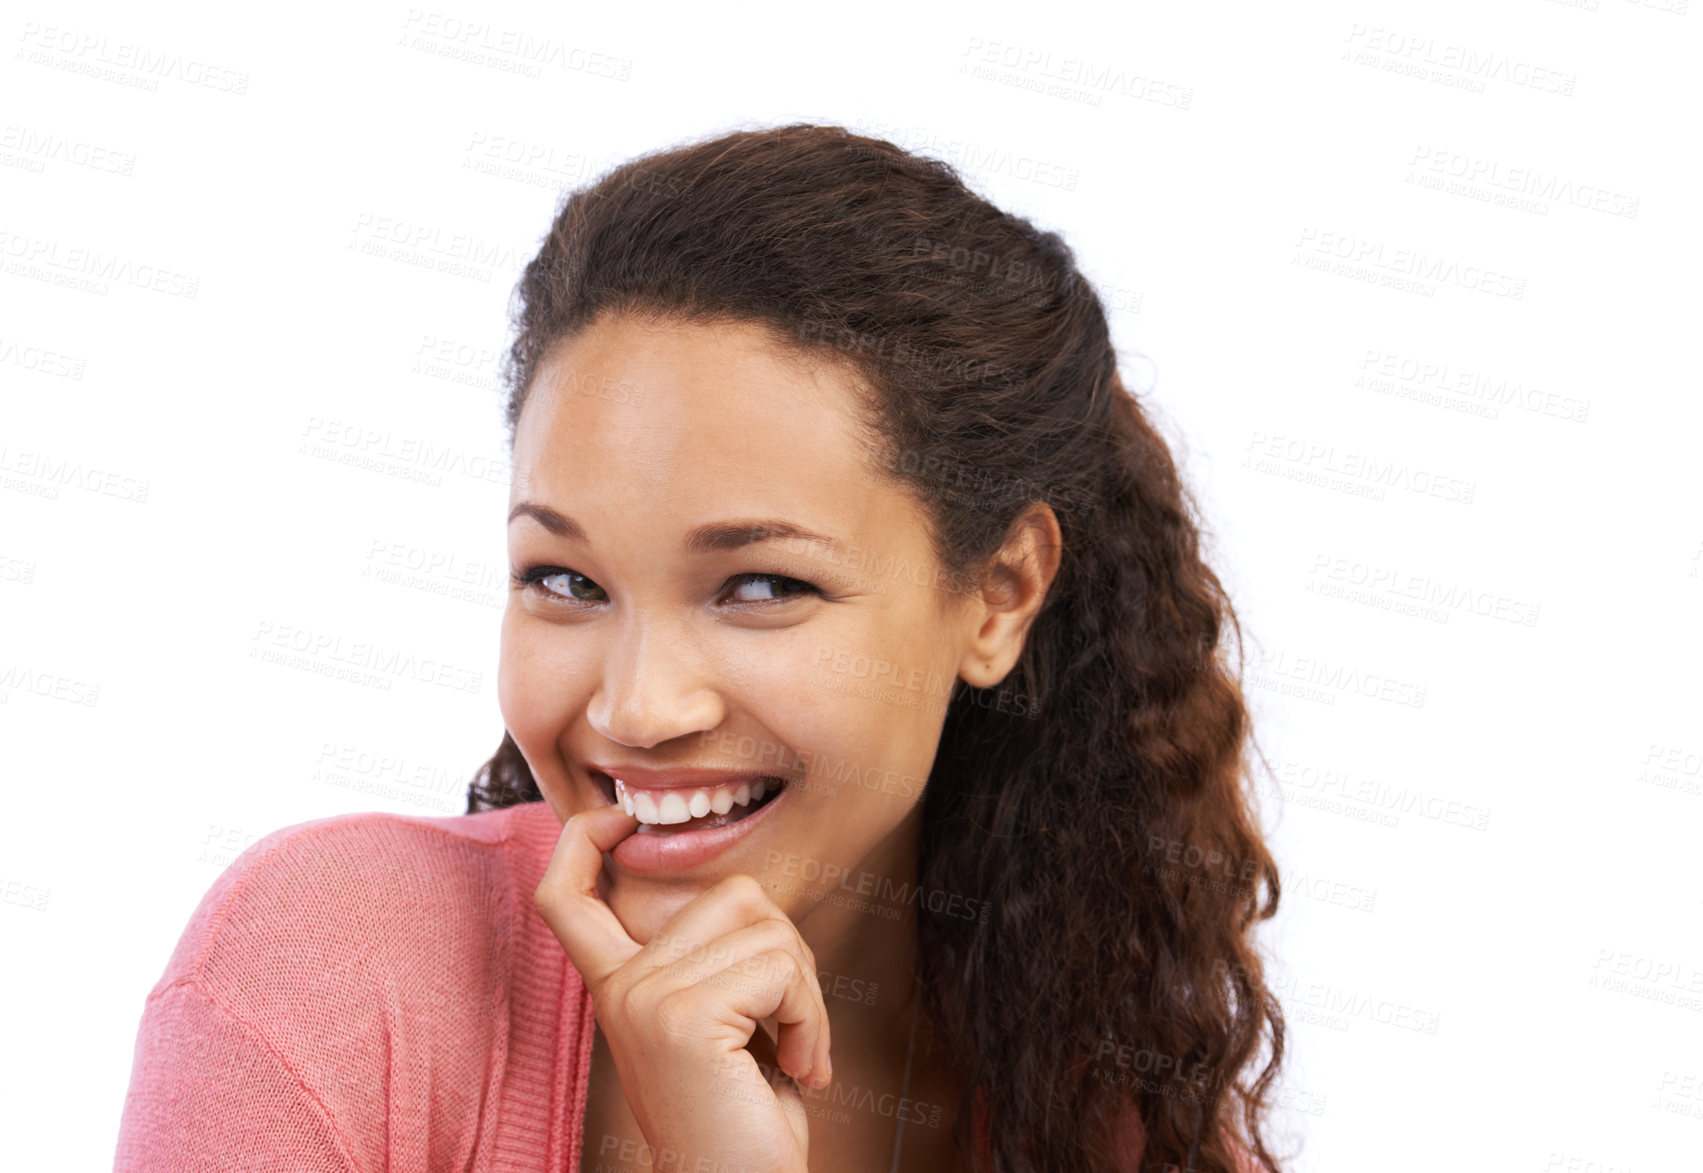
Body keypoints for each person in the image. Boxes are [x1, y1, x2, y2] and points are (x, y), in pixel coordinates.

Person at [114, 123, 1284, 1173]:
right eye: (565, 581)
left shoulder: (1119, 1122)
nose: (636, 707)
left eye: (760, 585)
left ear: (997, 596)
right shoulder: (332, 967)